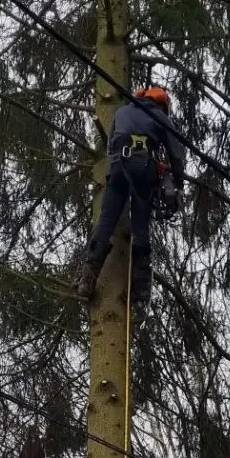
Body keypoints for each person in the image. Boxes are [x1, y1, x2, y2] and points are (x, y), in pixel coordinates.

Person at [76, 85, 185, 313]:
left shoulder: (122, 112)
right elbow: (176, 153)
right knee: (140, 229)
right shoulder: (160, 116)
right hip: (144, 170)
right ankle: (139, 296)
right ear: (163, 104)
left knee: (106, 222)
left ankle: (87, 281)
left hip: (117, 168)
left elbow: (111, 147)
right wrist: (178, 184)